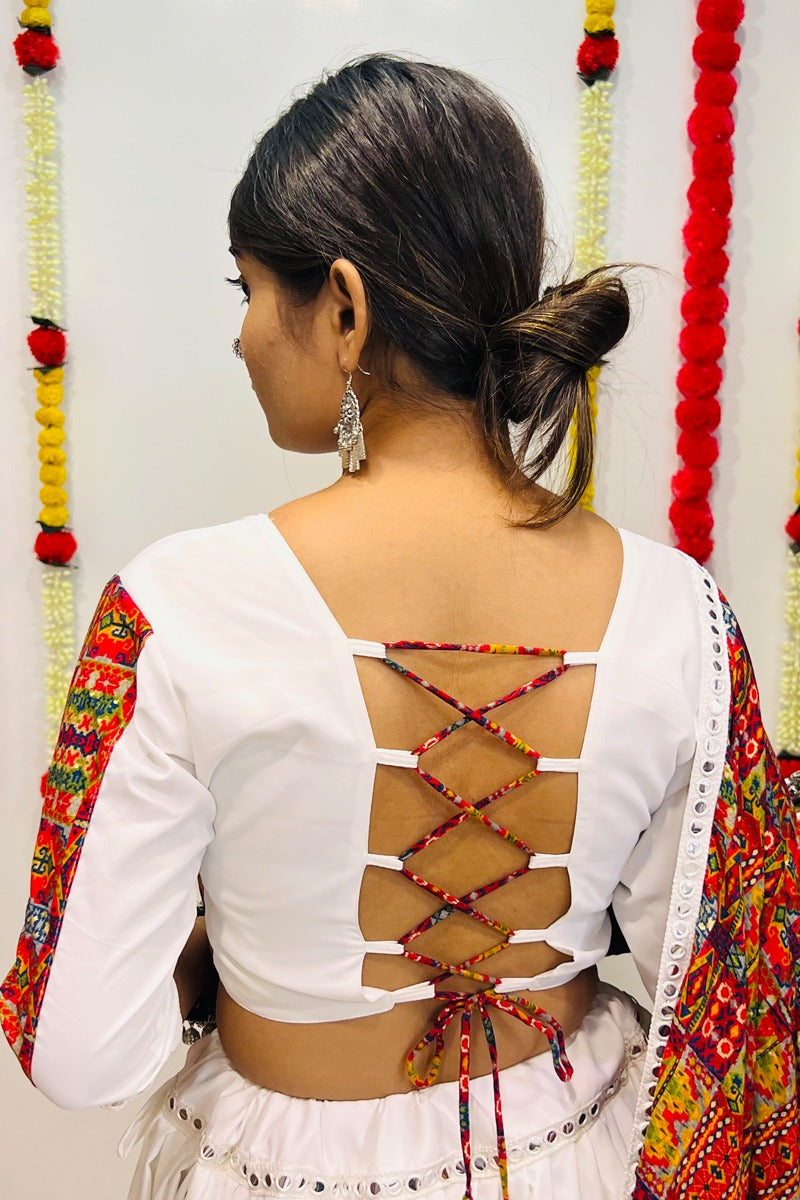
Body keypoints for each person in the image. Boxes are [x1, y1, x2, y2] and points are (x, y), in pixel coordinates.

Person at [2, 52, 799, 1200]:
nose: (240, 338)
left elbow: (78, 1055)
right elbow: (728, 980)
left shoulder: (173, 610)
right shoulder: (684, 615)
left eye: (245, 289)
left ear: (342, 307)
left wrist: (212, 959)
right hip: (578, 1158)